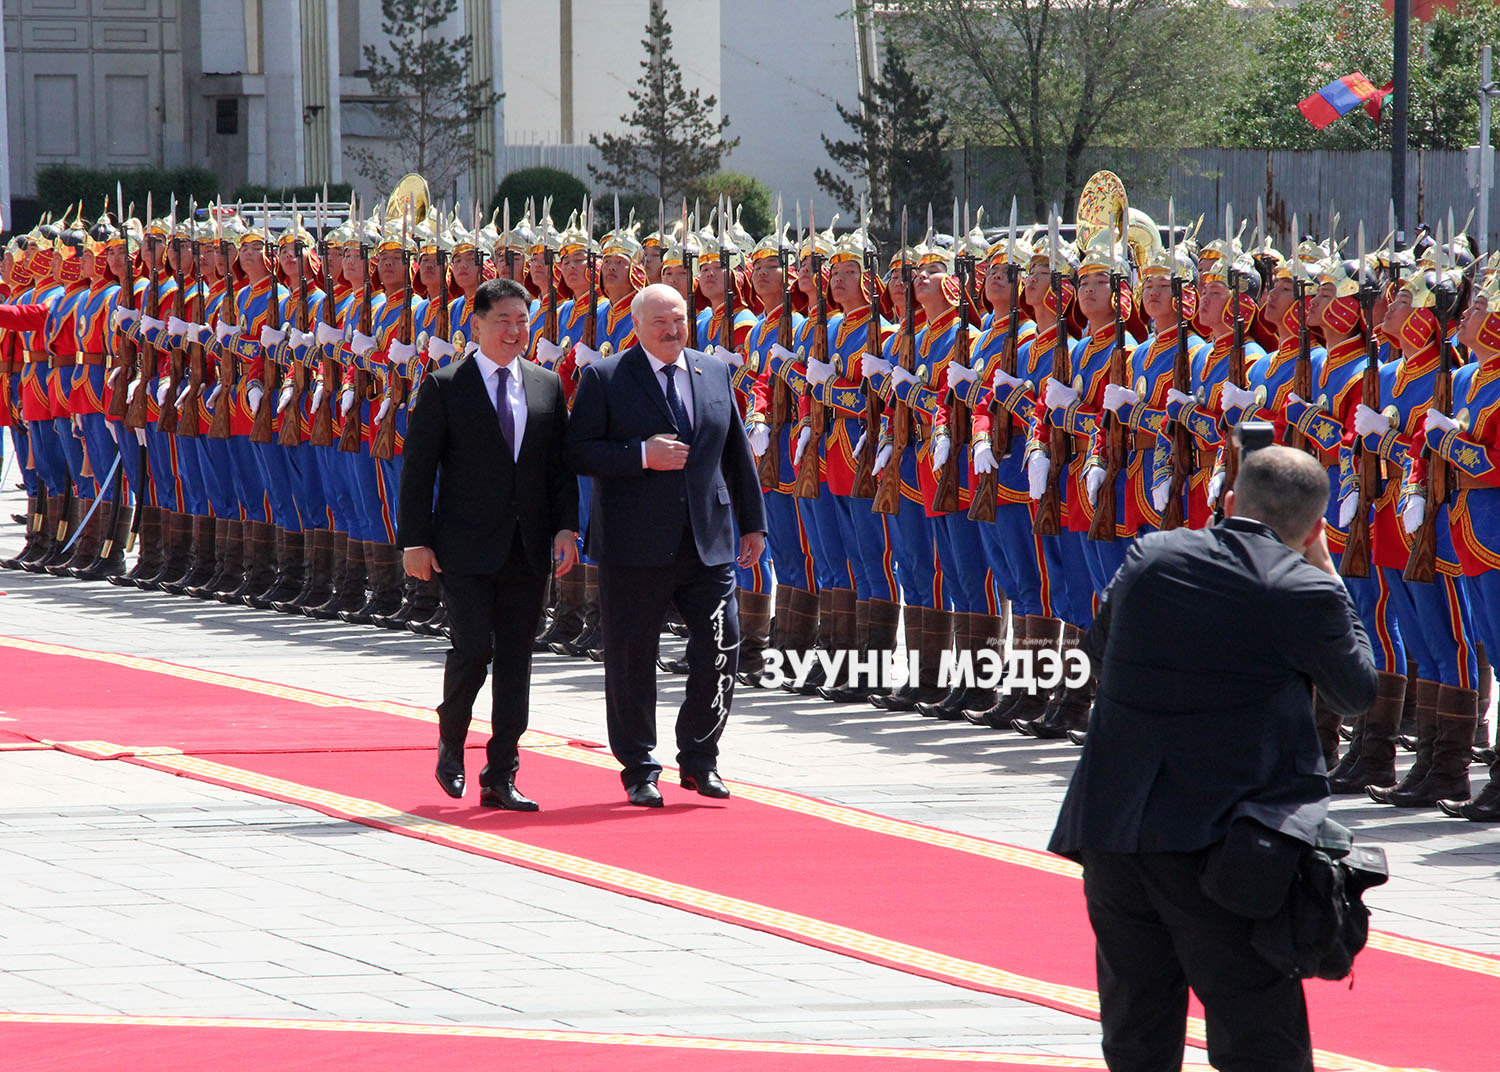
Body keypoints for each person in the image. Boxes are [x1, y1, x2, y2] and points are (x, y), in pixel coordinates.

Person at [1049, 444, 1378, 1072]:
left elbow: (1098, 647)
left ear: (1226, 503)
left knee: (1136, 1032)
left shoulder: (1151, 555)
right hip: (1225, 844)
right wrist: (1326, 572)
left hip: (1117, 826)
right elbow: (1355, 690)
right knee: (1259, 1038)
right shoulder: (1302, 588)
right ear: (1315, 529)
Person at [564, 282, 767, 807]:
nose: (673, 330)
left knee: (722, 647)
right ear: (636, 326)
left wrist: (753, 524)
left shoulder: (714, 370)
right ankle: (639, 767)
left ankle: (700, 758)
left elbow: (735, 452)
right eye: (661, 322)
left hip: (708, 539)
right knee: (631, 658)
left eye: (679, 320)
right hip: (635, 544)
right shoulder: (605, 377)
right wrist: (639, 456)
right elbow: (578, 451)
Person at [397, 276, 579, 811]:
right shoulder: (446, 384)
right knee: (474, 647)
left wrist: (567, 527)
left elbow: (558, 468)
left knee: (518, 660)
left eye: (523, 321)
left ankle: (502, 771)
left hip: (528, 547)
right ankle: (451, 738)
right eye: (503, 320)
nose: (514, 331)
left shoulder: (546, 385)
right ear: (475, 325)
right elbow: (418, 470)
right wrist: (415, 541)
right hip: (464, 545)